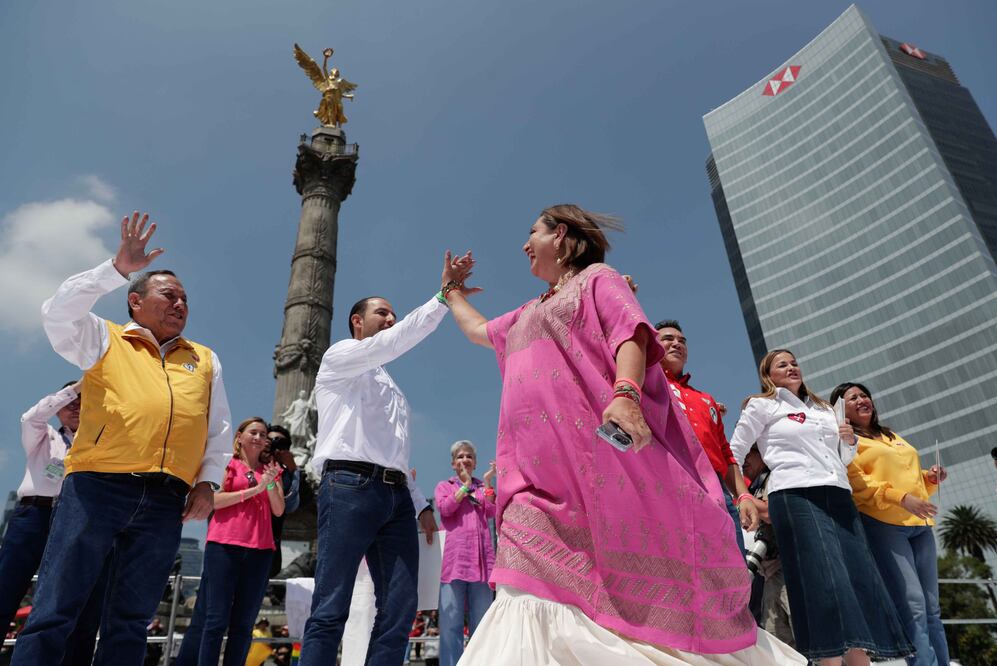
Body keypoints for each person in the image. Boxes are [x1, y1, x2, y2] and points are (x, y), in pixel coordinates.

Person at [443, 204, 799, 664]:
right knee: (522, 588)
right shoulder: (525, 313)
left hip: (591, 477)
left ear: (561, 234)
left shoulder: (598, 280)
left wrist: (627, 394)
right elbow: (476, 329)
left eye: (532, 233)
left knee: (609, 605)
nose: (524, 246)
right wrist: (450, 290)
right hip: (530, 483)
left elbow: (630, 333)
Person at [14, 212, 232, 665]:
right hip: (98, 485)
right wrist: (115, 269)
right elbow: (56, 313)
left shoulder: (205, 359)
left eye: (186, 299)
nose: (180, 305)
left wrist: (208, 482)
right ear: (134, 301)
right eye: (169, 295)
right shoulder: (104, 338)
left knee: (131, 620)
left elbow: (217, 427)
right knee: (57, 606)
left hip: (167, 498)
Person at [299, 254, 474, 666]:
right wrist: (443, 297)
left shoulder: (391, 385)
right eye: (382, 312)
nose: (391, 319)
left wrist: (420, 504)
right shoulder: (339, 358)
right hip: (348, 488)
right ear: (357, 321)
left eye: (395, 314)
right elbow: (392, 343)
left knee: (400, 606)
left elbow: (395, 454)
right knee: (331, 603)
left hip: (394, 498)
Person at [729, 350, 912, 665]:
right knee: (822, 582)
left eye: (794, 362)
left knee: (857, 579)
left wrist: (849, 442)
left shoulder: (827, 409)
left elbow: (841, 459)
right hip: (796, 495)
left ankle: (859, 660)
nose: (791, 367)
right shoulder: (763, 405)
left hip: (838, 496)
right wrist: (743, 495)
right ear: (768, 375)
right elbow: (733, 450)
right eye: (782, 364)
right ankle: (827, 661)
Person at [831, 382, 949, 666]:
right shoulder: (846, 443)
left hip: (920, 526)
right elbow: (859, 485)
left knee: (932, 608)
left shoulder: (890, 435)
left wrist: (929, 478)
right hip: (883, 526)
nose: (862, 399)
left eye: (864, 394)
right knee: (914, 607)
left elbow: (909, 478)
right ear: (840, 410)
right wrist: (901, 498)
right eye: (853, 398)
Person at [175, 417, 286, 666]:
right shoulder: (227, 463)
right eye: (253, 432)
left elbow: (278, 510)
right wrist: (253, 491)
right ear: (240, 436)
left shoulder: (271, 469)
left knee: (244, 623)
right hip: (224, 546)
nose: (259, 438)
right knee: (215, 619)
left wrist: (269, 485)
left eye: (263, 434)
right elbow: (213, 500)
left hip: (260, 549)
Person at [654, 319, 754, 553]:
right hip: (669, 481)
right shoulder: (648, 384)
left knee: (733, 566)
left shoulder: (706, 400)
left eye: (682, 341)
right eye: (668, 339)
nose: (677, 343)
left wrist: (744, 496)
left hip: (717, 491)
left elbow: (726, 454)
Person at [0, 382, 79, 634]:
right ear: (57, 408)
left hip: (71, 521)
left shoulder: (99, 443)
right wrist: (77, 387)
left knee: (56, 597)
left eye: (82, 401)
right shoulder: (44, 434)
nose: (75, 406)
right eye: (69, 403)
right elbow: (30, 417)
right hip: (33, 515)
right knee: (6, 588)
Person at [434, 440, 496, 666]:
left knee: (481, 626)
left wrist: (487, 482)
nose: (464, 460)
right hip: (453, 565)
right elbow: (445, 509)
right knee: (451, 626)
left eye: (469, 456)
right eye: (460, 456)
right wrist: (464, 486)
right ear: (453, 463)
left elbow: (491, 511)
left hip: (481, 566)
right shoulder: (444, 486)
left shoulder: (482, 488)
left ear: (475, 462)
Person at [742, 445, 794, 648]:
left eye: (750, 453)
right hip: (770, 573)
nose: (744, 460)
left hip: (790, 568)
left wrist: (743, 499)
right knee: (776, 640)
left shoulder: (775, 476)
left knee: (804, 631)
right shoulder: (756, 486)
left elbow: (773, 512)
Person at [265, 424, 302, 579]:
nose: (275, 445)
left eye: (281, 443)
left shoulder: (287, 475)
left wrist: (293, 469)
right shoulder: (249, 466)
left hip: (272, 542)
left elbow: (291, 506)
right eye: (272, 440)